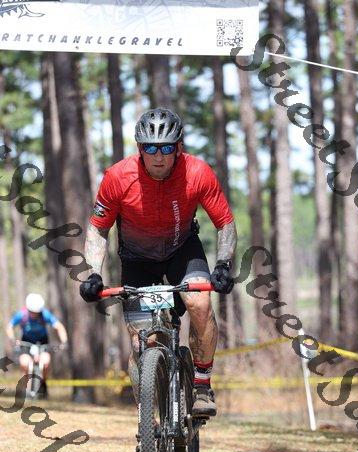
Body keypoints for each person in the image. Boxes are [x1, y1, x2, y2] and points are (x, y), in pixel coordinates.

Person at [79, 107, 237, 418]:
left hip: (182, 251)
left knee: (200, 303)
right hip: (137, 259)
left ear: (179, 147)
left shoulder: (197, 173)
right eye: (150, 148)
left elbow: (225, 223)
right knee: (142, 343)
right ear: (140, 148)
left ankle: (202, 383)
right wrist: (93, 273)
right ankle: (148, 422)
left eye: (166, 148)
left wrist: (222, 264)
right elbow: (98, 229)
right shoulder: (117, 177)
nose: (159, 156)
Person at [6, 293, 68, 396]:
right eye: (32, 312)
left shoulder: (45, 315)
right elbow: (10, 326)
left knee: (46, 362)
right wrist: (13, 339)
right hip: (26, 342)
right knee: (25, 362)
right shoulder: (22, 315)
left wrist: (64, 341)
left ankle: (43, 383)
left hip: (42, 342)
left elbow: (59, 327)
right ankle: (25, 384)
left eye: (37, 312)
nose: (34, 314)